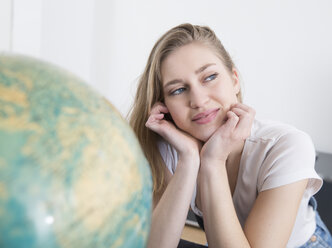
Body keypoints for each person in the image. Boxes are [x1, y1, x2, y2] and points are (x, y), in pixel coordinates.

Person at [129, 23, 332, 248]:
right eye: (178, 90)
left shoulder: (286, 145)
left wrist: (212, 161)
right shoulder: (175, 145)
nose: (198, 100)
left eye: (209, 77)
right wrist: (189, 158)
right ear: (164, 105)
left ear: (234, 80)